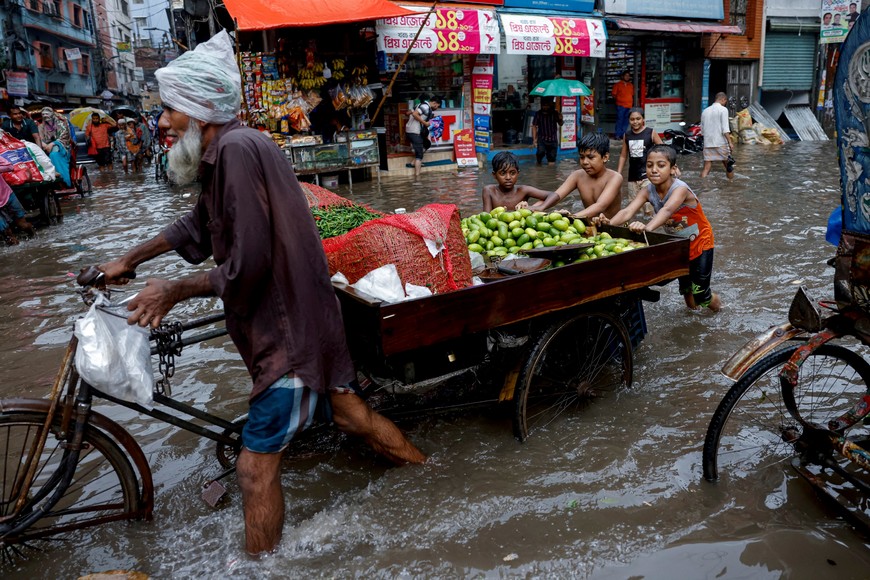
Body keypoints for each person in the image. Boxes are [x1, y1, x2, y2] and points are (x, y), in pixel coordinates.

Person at [91, 31, 425, 556]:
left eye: (169, 111)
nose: (160, 123)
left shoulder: (238, 152)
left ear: (200, 111)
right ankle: (428, 475)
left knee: (253, 469)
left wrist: (173, 291)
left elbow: (248, 266)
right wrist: (129, 260)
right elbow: (197, 226)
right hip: (302, 317)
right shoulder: (226, 152)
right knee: (350, 416)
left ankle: (259, 569)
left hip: (288, 329)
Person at [597, 145, 720, 313]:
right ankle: (696, 322)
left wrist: (646, 228)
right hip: (680, 246)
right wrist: (608, 224)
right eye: (649, 165)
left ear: (672, 169)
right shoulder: (647, 190)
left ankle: (720, 311)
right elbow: (627, 211)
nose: (654, 170)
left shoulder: (680, 189)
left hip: (701, 243)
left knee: (701, 295)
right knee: (687, 293)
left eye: (661, 165)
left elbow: (667, 210)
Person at [551, 132, 623, 220]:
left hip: (612, 227)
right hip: (589, 225)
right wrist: (536, 207)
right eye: (582, 157)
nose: (585, 162)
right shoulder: (577, 176)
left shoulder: (615, 178)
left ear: (605, 157)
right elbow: (556, 196)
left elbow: (600, 206)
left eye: (591, 157)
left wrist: (570, 218)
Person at [616, 108, 664, 217]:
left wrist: (672, 166)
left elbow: (664, 151)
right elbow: (623, 155)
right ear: (629, 120)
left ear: (643, 119)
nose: (635, 122)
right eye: (632, 119)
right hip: (632, 177)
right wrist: (618, 174)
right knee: (634, 209)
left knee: (650, 209)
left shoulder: (651, 133)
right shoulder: (627, 135)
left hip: (648, 177)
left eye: (638, 118)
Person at [482, 151, 559, 212]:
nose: (508, 177)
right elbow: (487, 218)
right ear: (494, 175)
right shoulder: (489, 191)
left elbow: (554, 195)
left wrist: (540, 207)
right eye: (503, 173)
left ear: (518, 174)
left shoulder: (523, 190)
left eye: (512, 173)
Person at [405, 94, 440, 181]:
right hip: (414, 132)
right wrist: (424, 123)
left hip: (411, 130)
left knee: (427, 143)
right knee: (419, 154)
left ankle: (414, 162)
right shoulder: (425, 107)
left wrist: (431, 117)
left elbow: (408, 113)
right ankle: (417, 177)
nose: (437, 108)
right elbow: (415, 114)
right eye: (437, 106)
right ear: (435, 103)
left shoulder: (420, 105)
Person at [0, 156, 34, 245]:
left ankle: (34, 238)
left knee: (23, 225)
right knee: (7, 234)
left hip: (7, 195)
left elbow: (10, 167)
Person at [700, 92, 734, 180]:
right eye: (725, 102)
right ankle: (732, 185)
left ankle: (702, 185)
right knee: (728, 165)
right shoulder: (723, 110)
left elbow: (702, 130)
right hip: (720, 143)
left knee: (706, 167)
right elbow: (725, 129)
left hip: (708, 142)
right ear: (723, 99)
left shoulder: (705, 111)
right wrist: (730, 142)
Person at [38, 107, 72, 186]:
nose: (45, 116)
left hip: (62, 148)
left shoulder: (61, 123)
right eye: (43, 114)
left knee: (54, 154)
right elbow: (40, 138)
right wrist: (45, 145)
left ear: (52, 114)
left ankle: (64, 181)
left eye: (47, 114)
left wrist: (53, 143)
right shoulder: (41, 126)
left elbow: (64, 137)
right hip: (45, 148)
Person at [532, 98, 564, 166]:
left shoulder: (555, 113)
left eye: (547, 105)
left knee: (551, 160)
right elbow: (534, 126)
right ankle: (538, 165)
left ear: (550, 105)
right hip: (542, 139)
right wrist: (534, 139)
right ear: (541, 106)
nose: (545, 107)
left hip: (553, 140)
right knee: (540, 154)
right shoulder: (538, 114)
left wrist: (561, 119)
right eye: (544, 105)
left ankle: (551, 175)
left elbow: (561, 124)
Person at [611, 71, 634, 140]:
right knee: (620, 120)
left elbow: (632, 94)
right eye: (626, 75)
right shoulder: (617, 85)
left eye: (628, 76)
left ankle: (623, 135)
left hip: (629, 105)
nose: (627, 77)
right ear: (622, 76)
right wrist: (619, 99)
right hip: (621, 105)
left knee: (626, 121)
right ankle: (618, 135)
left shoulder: (631, 85)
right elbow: (613, 94)